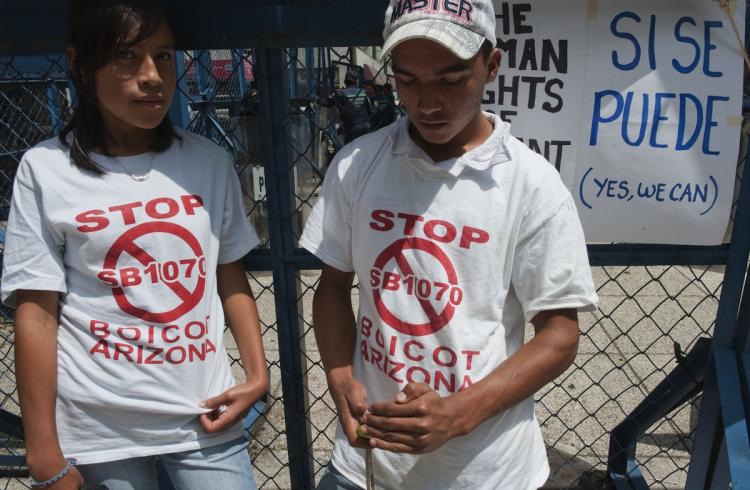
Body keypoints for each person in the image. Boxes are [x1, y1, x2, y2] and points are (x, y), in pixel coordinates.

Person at [301, 1, 598, 488]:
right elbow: (333, 287)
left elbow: (560, 333)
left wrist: (458, 414)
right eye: (408, 80)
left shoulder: (529, 184)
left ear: (492, 66)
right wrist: (341, 379)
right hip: (367, 464)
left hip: (486, 470)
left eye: (451, 78)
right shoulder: (358, 166)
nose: (428, 103)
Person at [2, 1, 268, 488]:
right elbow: (36, 309)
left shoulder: (207, 161)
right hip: (101, 431)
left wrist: (256, 372)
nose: (152, 76)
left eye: (164, 56)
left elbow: (228, 271)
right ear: (81, 64)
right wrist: (44, 450)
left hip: (204, 418)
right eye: (127, 56)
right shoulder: (45, 171)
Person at [333, 69, 373, 143]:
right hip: (365, 127)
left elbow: (330, 103)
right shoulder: (363, 92)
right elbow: (370, 111)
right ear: (356, 81)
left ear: (345, 81)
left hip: (351, 128)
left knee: (349, 149)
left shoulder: (341, 93)